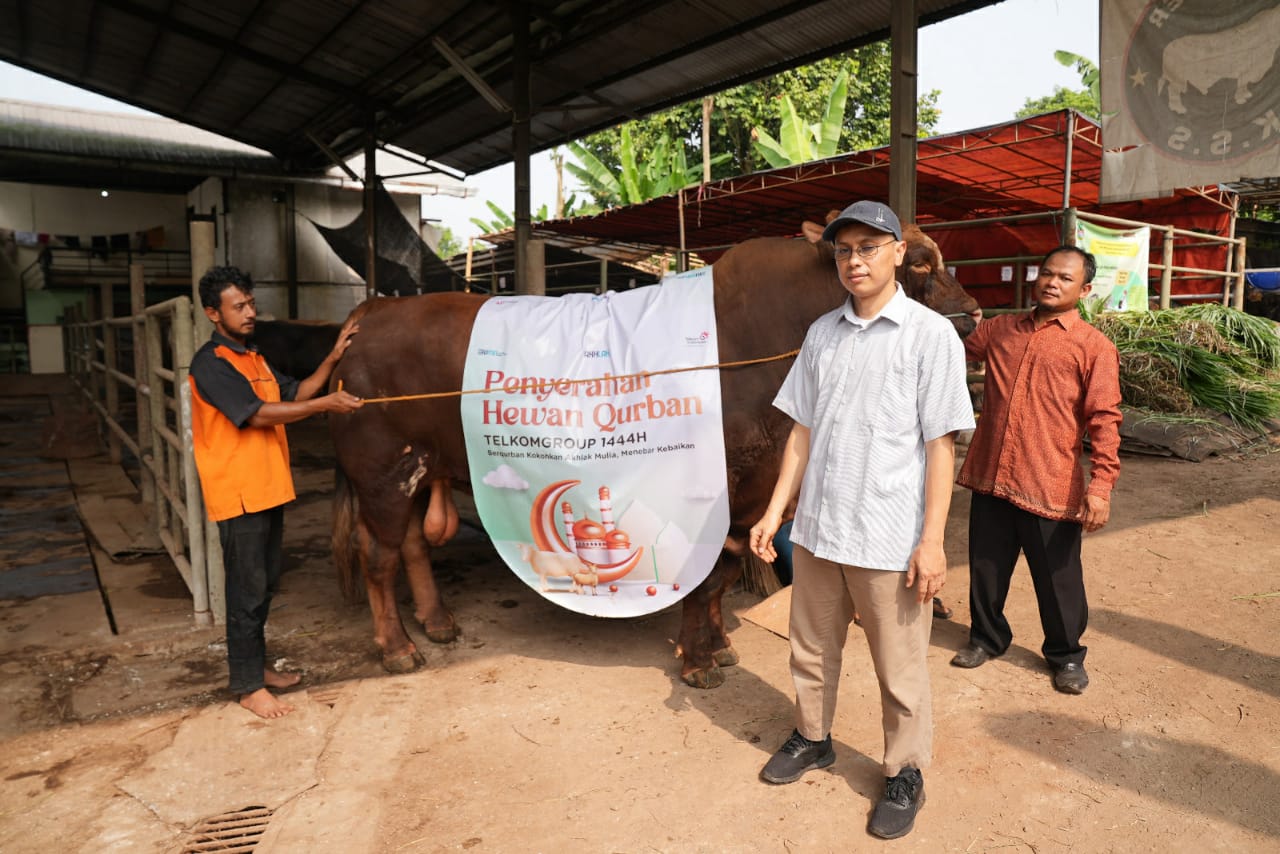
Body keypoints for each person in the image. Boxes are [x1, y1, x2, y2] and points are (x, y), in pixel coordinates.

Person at [749, 201, 975, 840]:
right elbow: (801, 430)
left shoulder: (930, 335)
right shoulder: (822, 333)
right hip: (820, 528)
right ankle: (812, 737)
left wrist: (932, 542)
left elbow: (940, 445)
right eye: (844, 250)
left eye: (869, 247)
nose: (855, 261)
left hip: (889, 536)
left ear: (899, 253)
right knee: (811, 648)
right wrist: (775, 510)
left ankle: (904, 771)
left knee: (899, 665)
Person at [189, 265, 363, 719]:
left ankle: (257, 668)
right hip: (239, 492)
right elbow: (258, 414)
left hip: (268, 488)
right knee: (246, 589)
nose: (250, 313)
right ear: (213, 313)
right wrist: (326, 405)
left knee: (264, 585)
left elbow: (296, 393)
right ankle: (248, 686)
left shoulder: (254, 357)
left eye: (250, 303)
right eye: (238, 306)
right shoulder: (211, 364)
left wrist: (332, 358)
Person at [950, 246, 1122, 695]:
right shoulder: (999, 330)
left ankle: (1066, 656)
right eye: (1047, 273)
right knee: (986, 567)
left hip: (1049, 479)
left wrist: (1101, 486)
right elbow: (949, 348)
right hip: (991, 474)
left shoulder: (1094, 347)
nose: (1052, 282)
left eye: (1065, 278)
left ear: (1084, 290)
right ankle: (986, 638)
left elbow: (1104, 419)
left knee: (1058, 578)